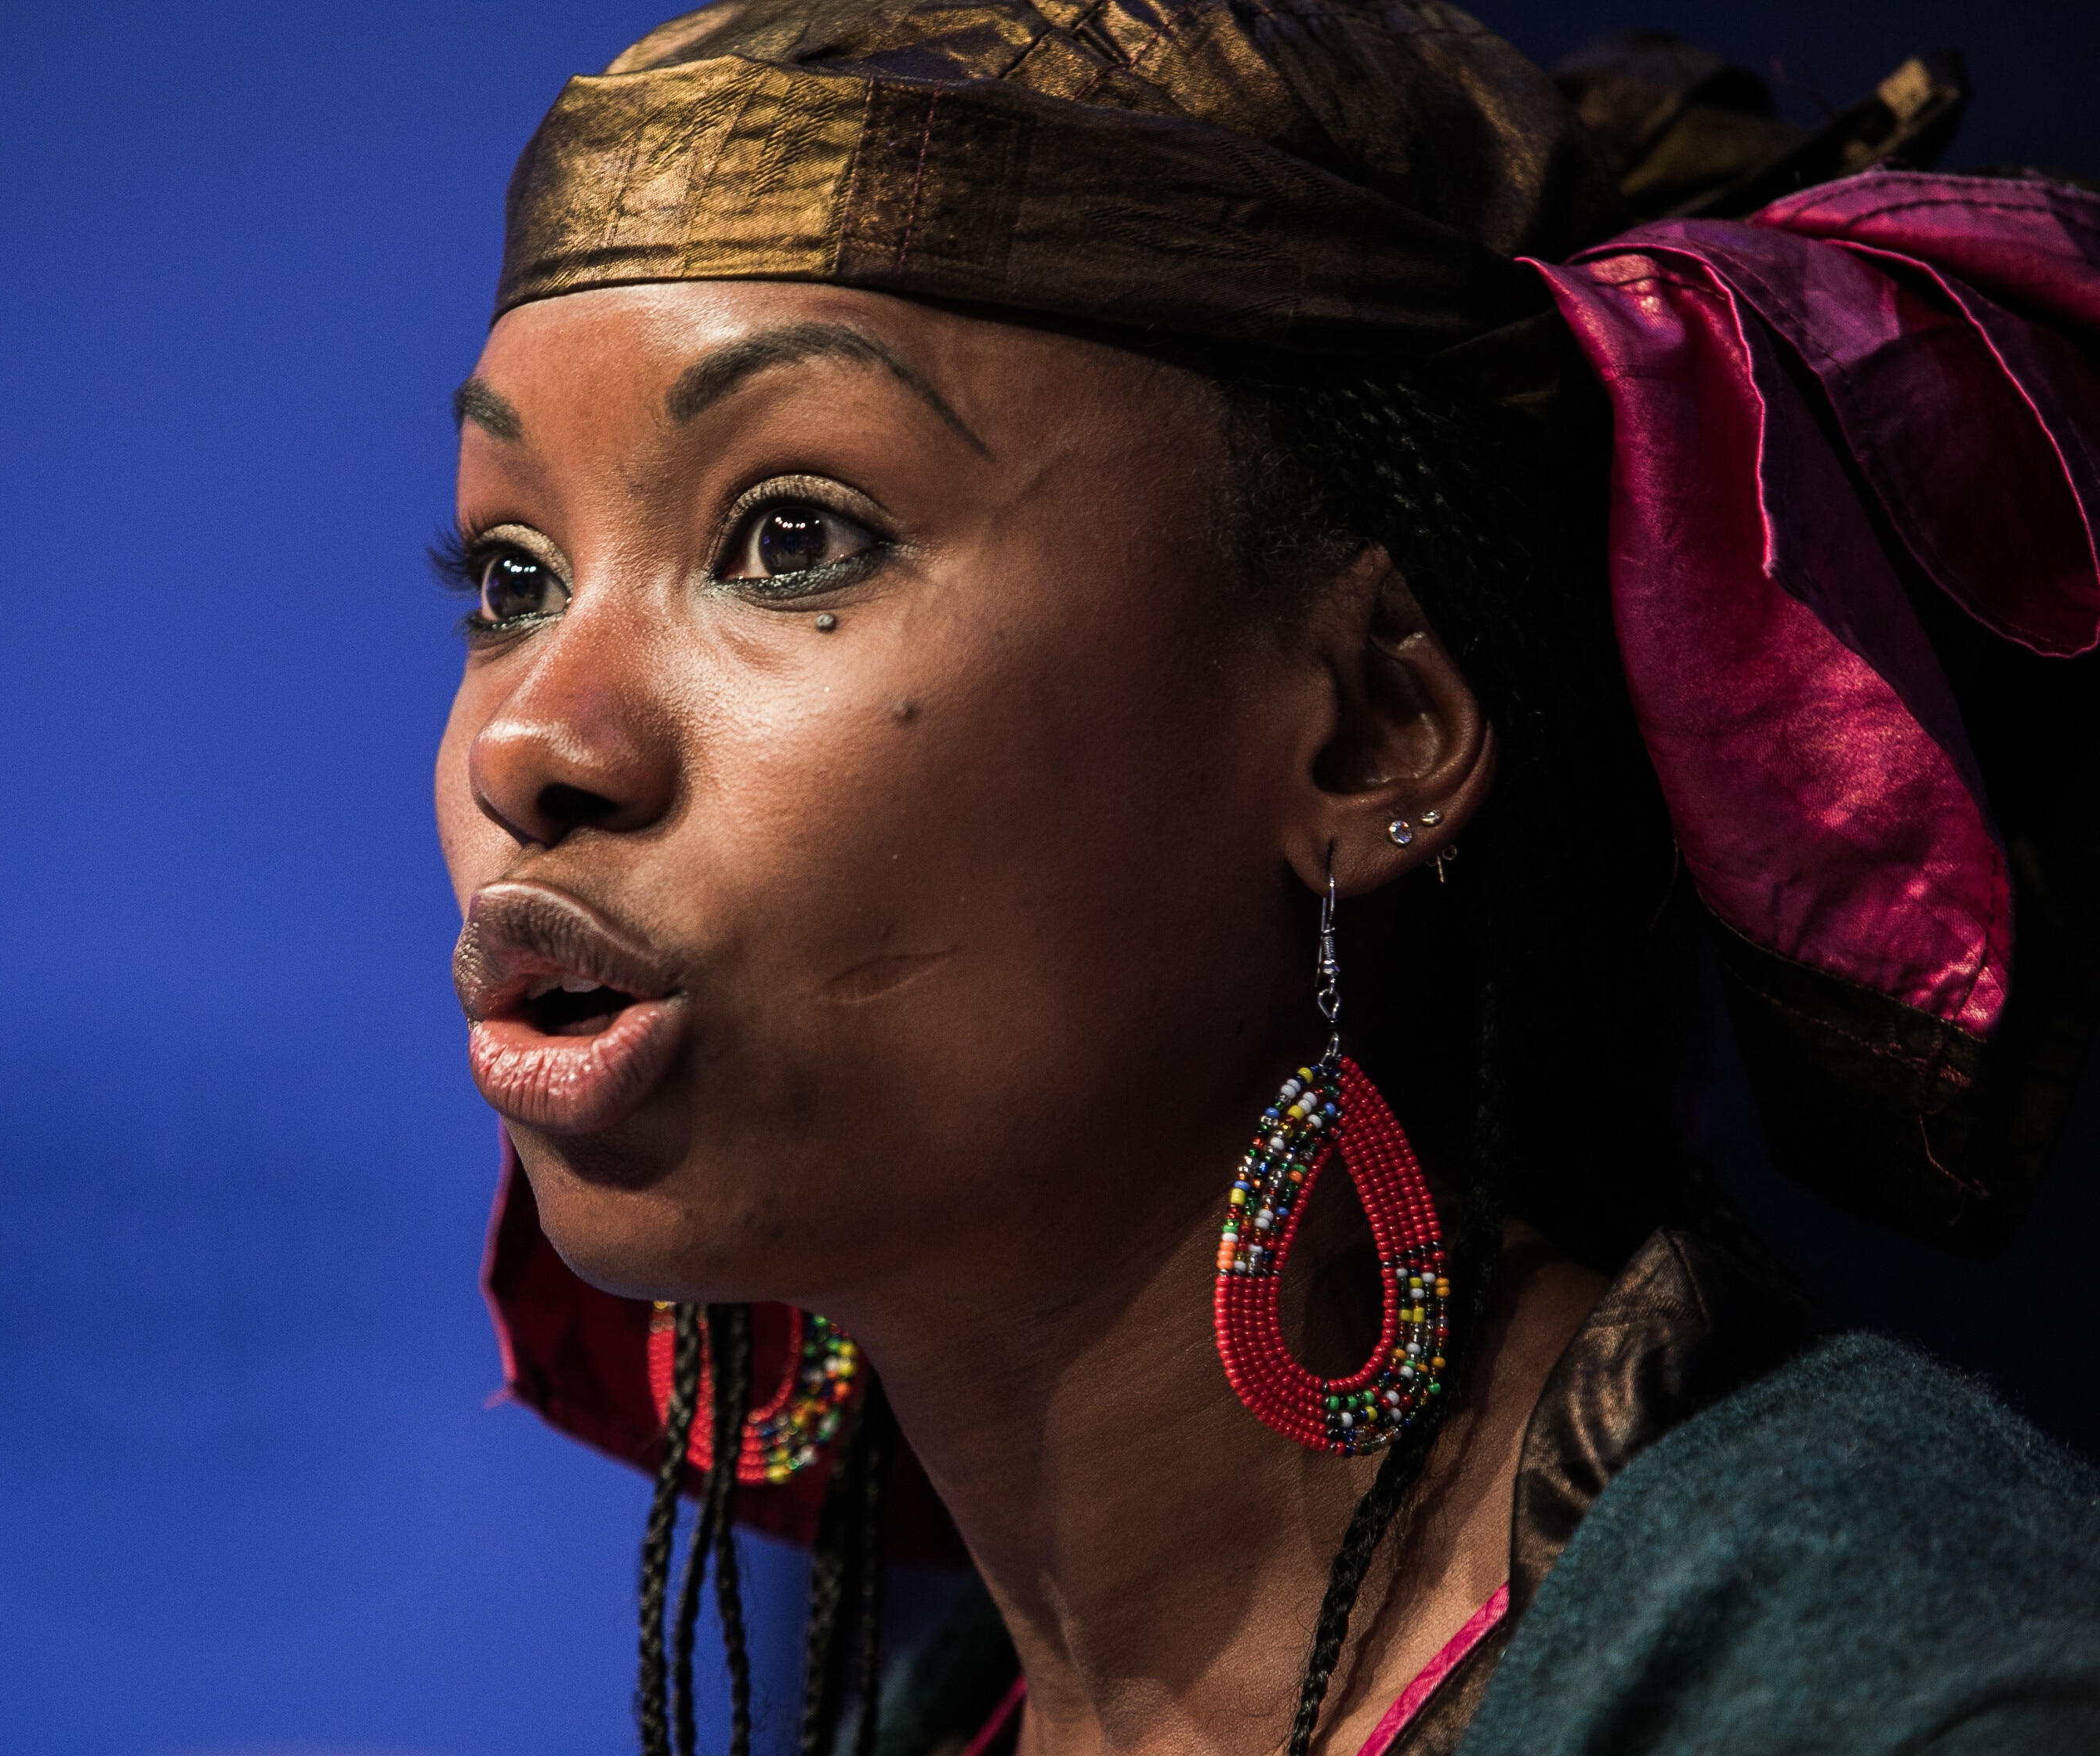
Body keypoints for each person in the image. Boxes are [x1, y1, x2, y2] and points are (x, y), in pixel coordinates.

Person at [432, 5, 2100, 1751]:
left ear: (1375, 726)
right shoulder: (964, 1710)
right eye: (510, 572)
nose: (527, 738)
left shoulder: (1912, 1698)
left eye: (792, 536)